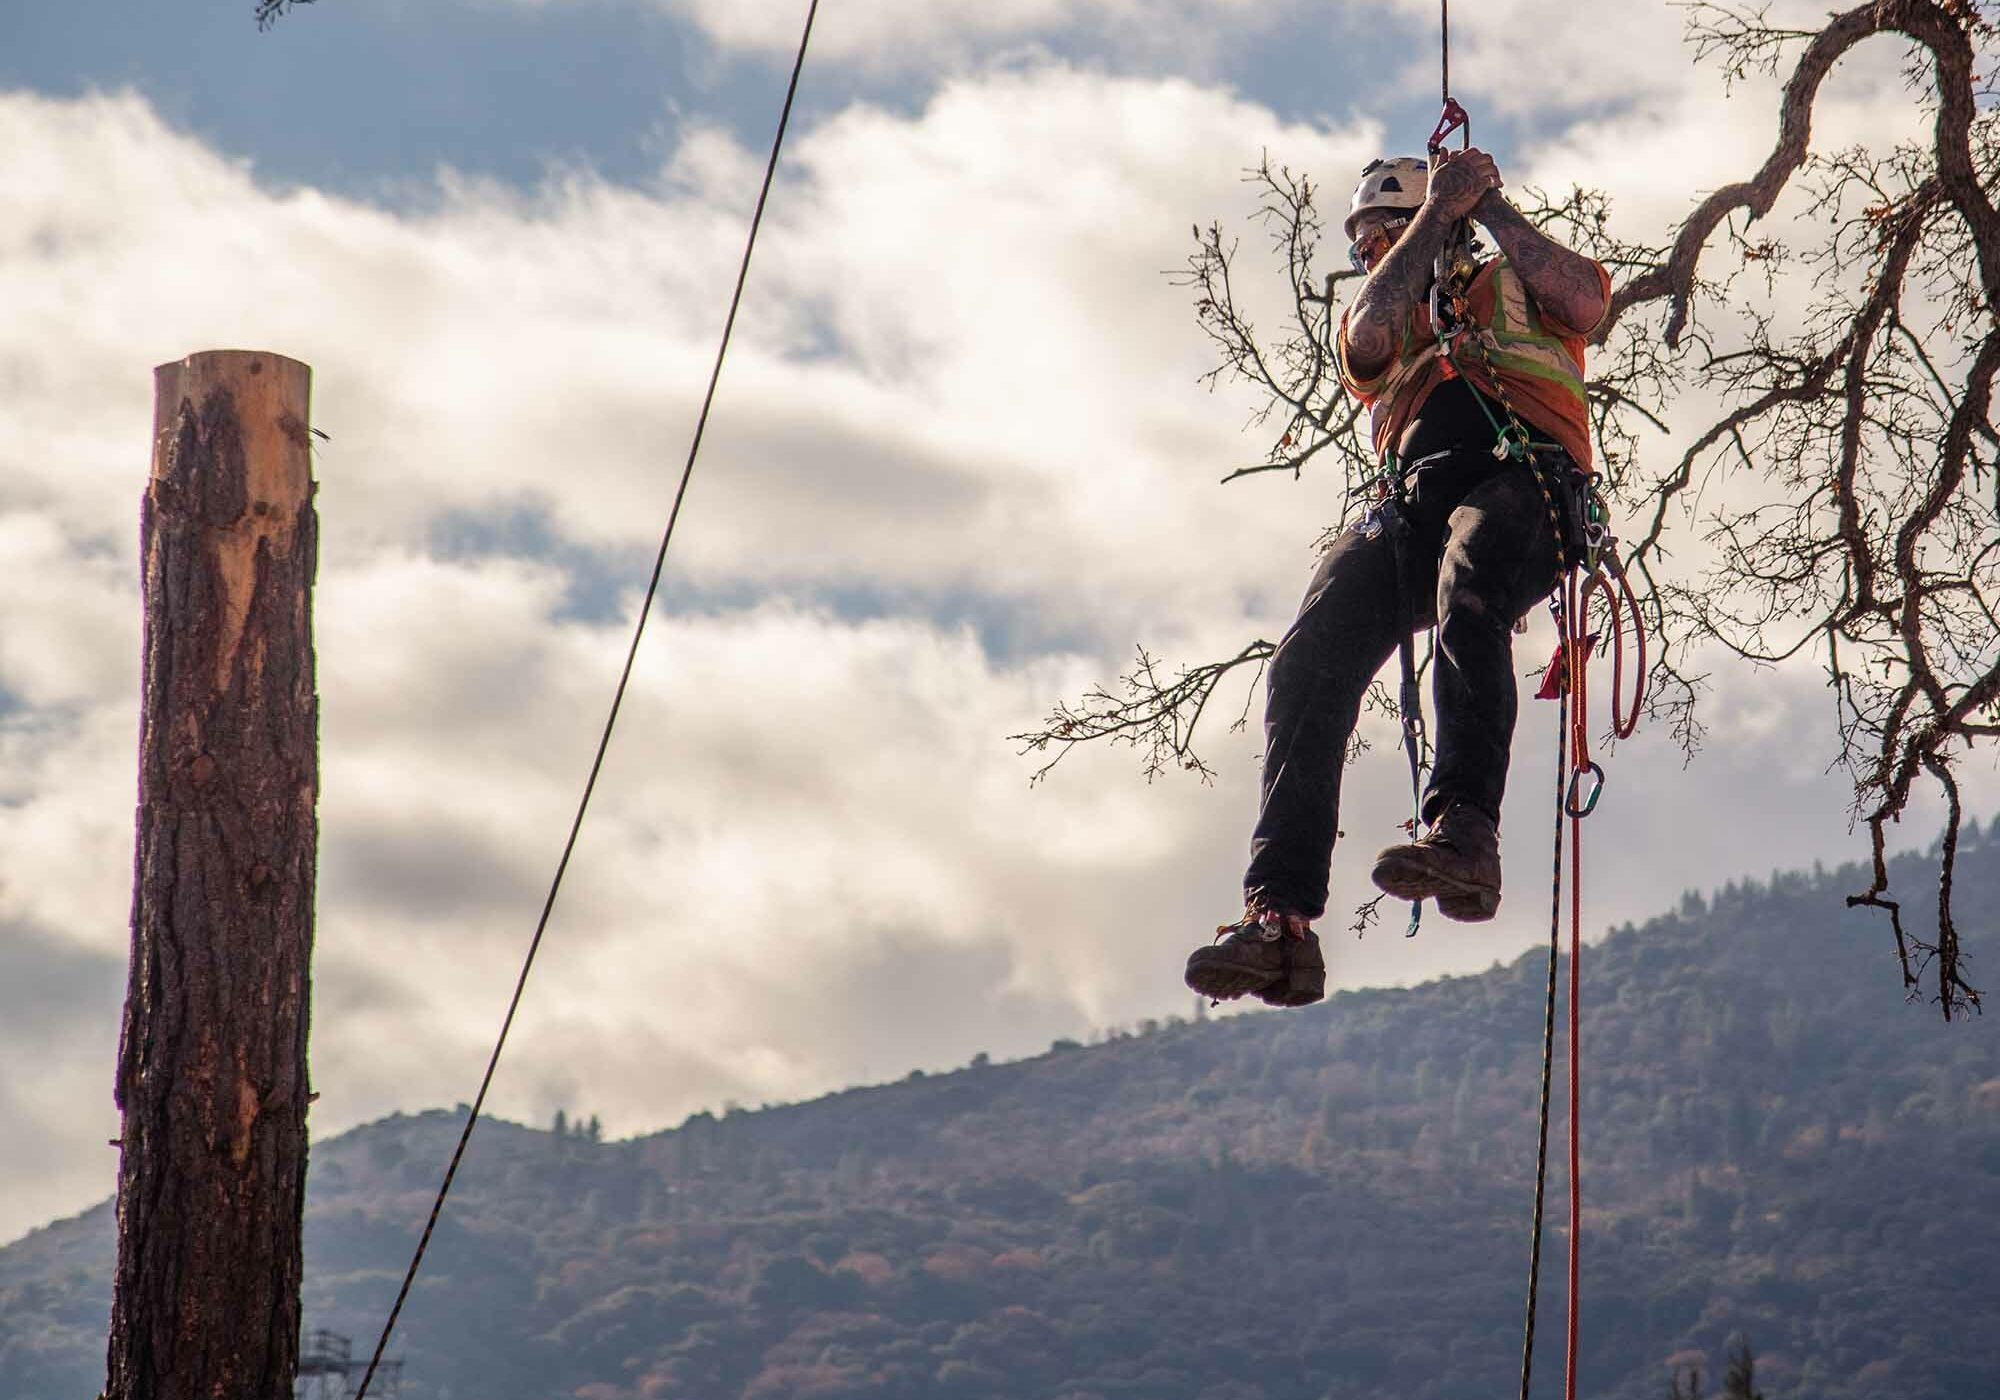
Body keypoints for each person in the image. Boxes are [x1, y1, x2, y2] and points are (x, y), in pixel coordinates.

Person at [1183, 147, 1612, 1009]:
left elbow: (1587, 300)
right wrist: (1430, 219)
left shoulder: (1517, 284)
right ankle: (1281, 923)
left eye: (1385, 235)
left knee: (1472, 589)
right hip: (1413, 507)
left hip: (1524, 480)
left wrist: (1482, 208)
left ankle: (1465, 834)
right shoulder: (1388, 318)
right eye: (1368, 243)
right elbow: (1369, 335)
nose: (1373, 256)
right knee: (1309, 660)